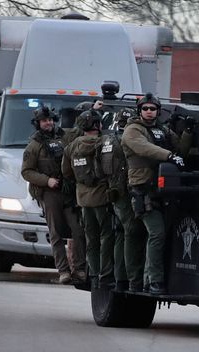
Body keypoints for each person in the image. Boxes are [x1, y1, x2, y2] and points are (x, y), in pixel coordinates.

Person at [121, 93, 191, 295]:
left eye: (153, 108)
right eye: (145, 108)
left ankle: (146, 279)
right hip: (142, 190)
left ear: (158, 111)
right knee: (156, 233)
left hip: (164, 190)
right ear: (139, 111)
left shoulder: (163, 130)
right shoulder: (132, 130)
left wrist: (187, 131)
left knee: (161, 235)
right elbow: (144, 148)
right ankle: (154, 280)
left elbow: (182, 151)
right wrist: (169, 155)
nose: (149, 112)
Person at [21, 105, 86, 285]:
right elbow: (26, 171)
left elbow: (80, 130)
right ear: (38, 123)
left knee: (78, 230)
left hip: (68, 191)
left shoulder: (65, 137)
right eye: (44, 120)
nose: (48, 123)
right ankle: (63, 271)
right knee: (56, 233)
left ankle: (79, 269)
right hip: (50, 193)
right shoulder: (34, 146)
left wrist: (93, 109)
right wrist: (46, 180)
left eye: (50, 119)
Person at [62, 110, 114, 289]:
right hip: (101, 198)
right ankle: (105, 273)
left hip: (83, 199)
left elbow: (66, 172)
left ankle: (93, 272)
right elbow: (110, 169)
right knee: (106, 236)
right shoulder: (103, 143)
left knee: (90, 238)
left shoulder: (72, 146)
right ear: (99, 125)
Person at [98, 107, 147, 292]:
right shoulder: (127, 140)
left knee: (120, 234)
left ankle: (120, 279)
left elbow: (99, 169)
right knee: (132, 232)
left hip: (113, 193)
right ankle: (131, 279)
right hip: (126, 193)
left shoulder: (107, 140)